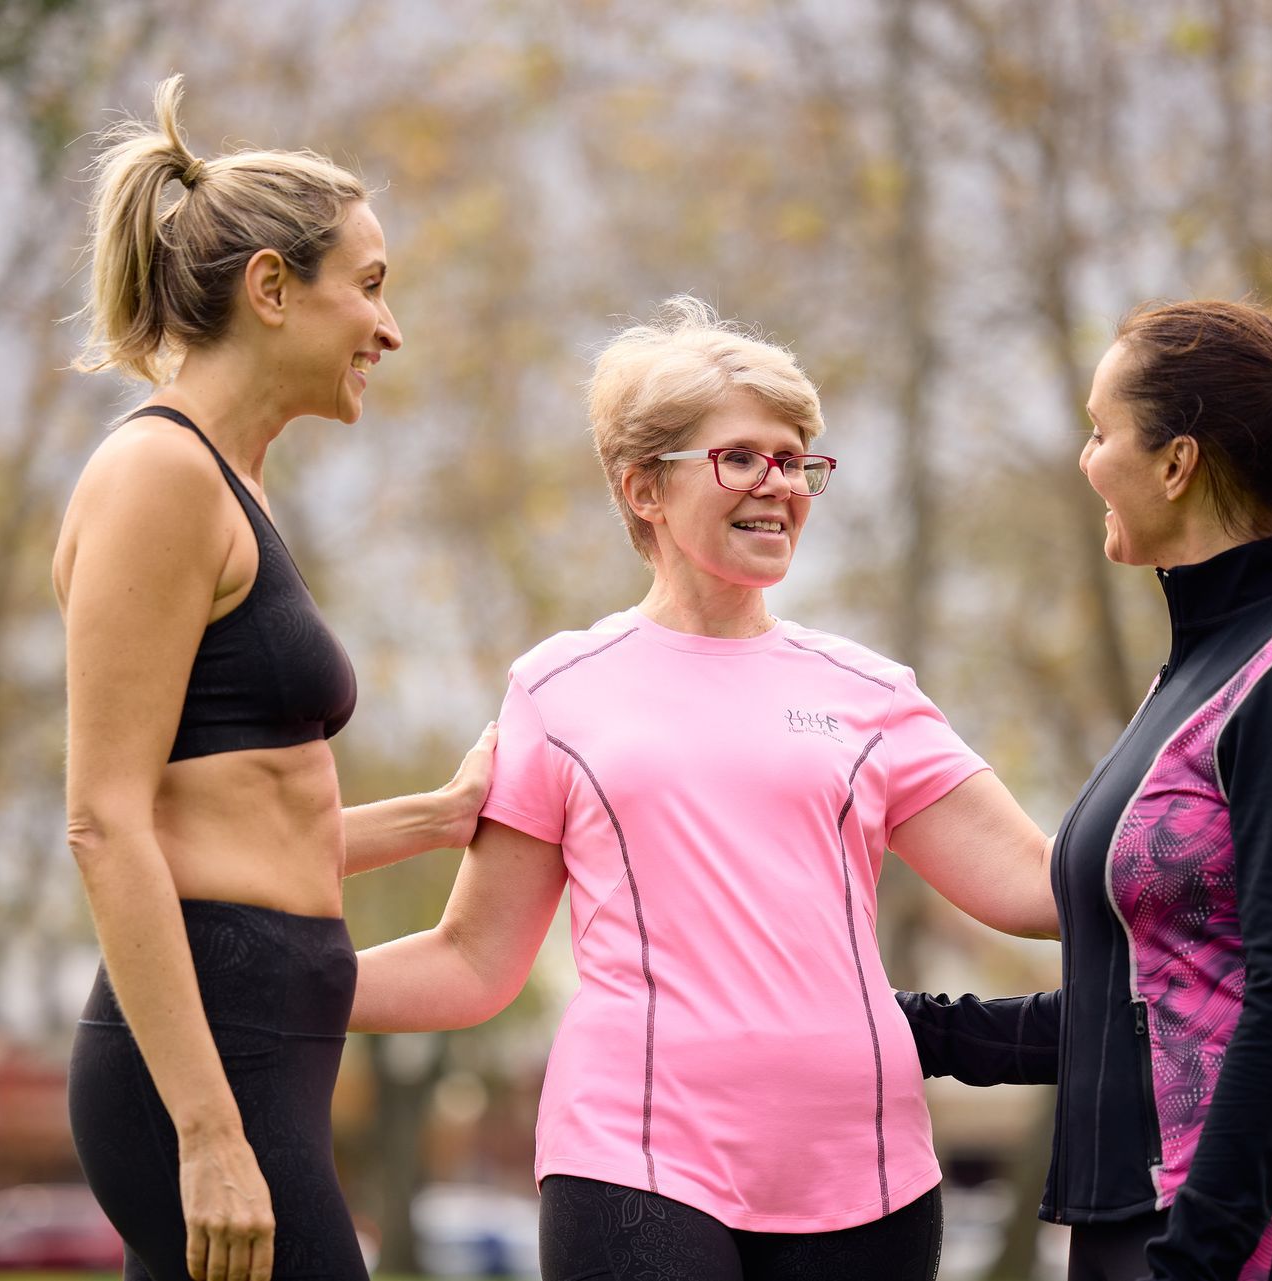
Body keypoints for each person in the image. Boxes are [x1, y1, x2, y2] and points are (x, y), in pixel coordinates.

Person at [349, 297, 1059, 1281]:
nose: (782, 485)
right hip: (634, 1161)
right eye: (742, 458)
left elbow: (1038, 886)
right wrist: (282, 984)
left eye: (797, 459)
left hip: (870, 1172)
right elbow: (475, 962)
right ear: (644, 487)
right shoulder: (557, 691)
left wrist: (1235, 850)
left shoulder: (872, 696)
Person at [898, 299, 1272, 1281]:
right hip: (1141, 1211)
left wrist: (1197, 1254)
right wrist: (904, 1024)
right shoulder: (1197, 678)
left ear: (1176, 462)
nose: (1086, 462)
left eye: (1099, 430)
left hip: (1249, 1223)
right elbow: (1143, 1011)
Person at [55, 76, 495, 1281]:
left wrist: (438, 821)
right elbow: (106, 820)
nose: (389, 329)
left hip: (274, 1031)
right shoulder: (160, 478)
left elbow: (237, 809)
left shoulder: (233, 489)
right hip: (208, 1051)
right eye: (369, 286)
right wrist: (205, 1132)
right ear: (268, 288)